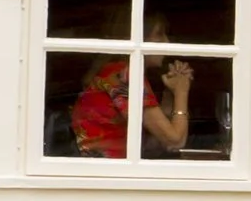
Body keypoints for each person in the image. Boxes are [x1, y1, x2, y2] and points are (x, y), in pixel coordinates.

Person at [71, 12, 191, 160]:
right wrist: (181, 92)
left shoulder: (115, 72)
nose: (166, 42)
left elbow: (160, 141)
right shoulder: (123, 76)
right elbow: (175, 140)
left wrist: (171, 93)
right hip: (106, 174)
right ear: (140, 39)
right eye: (159, 34)